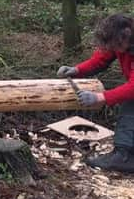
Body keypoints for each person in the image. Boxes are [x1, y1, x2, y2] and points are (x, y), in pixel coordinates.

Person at [57, 13, 134, 173]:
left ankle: (123, 157)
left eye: (115, 46)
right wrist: (77, 70)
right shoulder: (119, 39)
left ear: (126, 36)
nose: (113, 50)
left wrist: (100, 97)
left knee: (129, 108)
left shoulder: (123, 39)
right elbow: (100, 59)